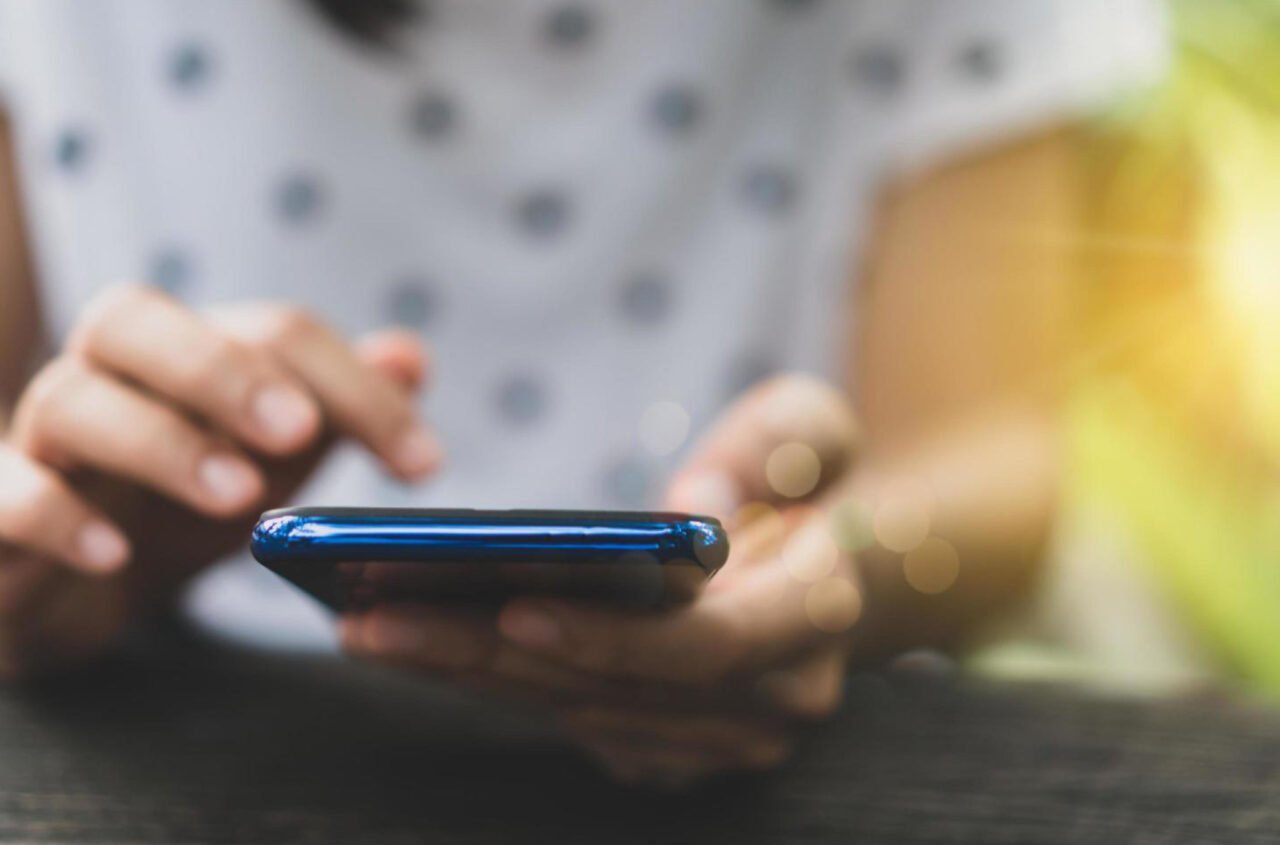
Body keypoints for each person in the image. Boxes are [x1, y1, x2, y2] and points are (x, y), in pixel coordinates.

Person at [0, 0, 1167, 785]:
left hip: (789, 786)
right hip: (191, 759)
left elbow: (995, 454)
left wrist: (838, 565)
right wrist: (55, 552)